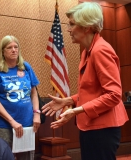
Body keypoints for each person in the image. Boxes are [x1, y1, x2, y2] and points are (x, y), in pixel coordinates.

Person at [42, 2, 129, 160]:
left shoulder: (100, 50)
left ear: (87, 27)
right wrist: (68, 100)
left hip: (103, 129)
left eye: (72, 24)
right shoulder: (87, 52)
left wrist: (76, 110)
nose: (68, 29)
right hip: (91, 126)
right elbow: (93, 91)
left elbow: (114, 95)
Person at [0, 35, 40, 160]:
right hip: (5, 125)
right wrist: (12, 121)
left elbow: (33, 92)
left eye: (16, 47)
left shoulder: (26, 67)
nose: (14, 50)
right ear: (3, 52)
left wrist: (36, 113)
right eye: (9, 47)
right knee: (5, 156)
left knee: (27, 157)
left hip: (27, 122)